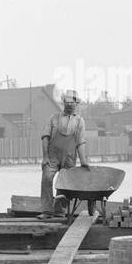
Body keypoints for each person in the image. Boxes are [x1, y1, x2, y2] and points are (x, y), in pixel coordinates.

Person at [40, 89, 89, 218]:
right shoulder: (53, 118)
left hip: (69, 157)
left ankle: (59, 211)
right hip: (52, 156)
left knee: (65, 184)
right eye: (67, 102)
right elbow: (45, 137)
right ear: (63, 103)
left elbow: (80, 142)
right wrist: (45, 157)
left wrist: (83, 161)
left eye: (72, 102)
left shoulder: (79, 121)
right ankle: (46, 211)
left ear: (76, 103)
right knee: (47, 179)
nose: (69, 105)